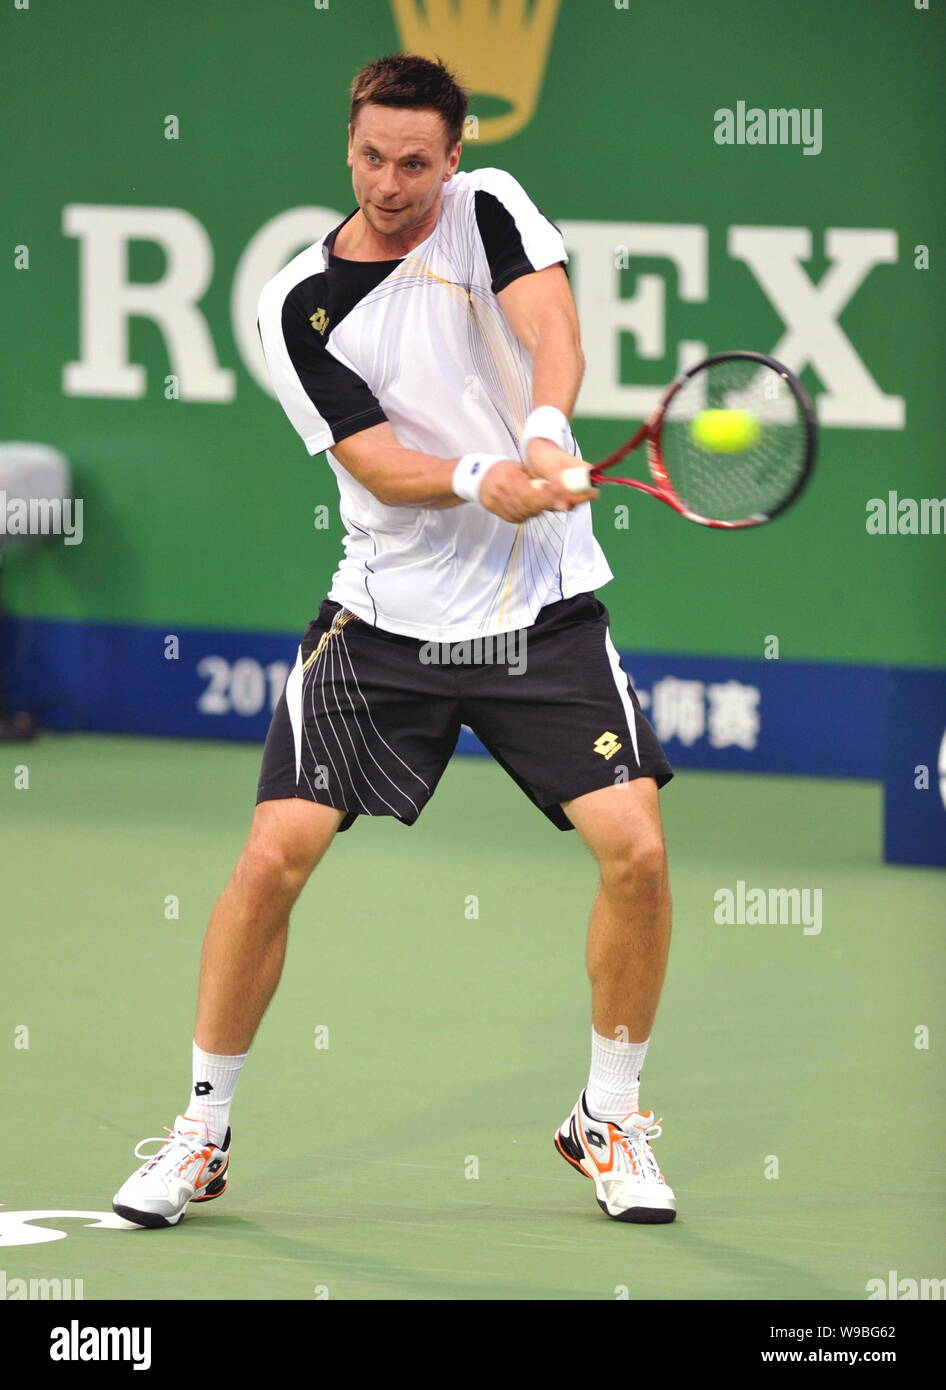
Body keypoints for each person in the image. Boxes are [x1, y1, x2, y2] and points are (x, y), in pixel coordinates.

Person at [112, 52, 677, 1230]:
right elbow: (374, 462)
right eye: (371, 154)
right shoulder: (296, 303)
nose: (390, 180)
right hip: (383, 622)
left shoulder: (488, 209)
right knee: (271, 860)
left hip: (540, 615)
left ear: (454, 153)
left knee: (637, 853)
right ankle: (200, 1133)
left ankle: (607, 1117)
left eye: (415, 160)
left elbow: (549, 325)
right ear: (349, 144)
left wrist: (543, 427)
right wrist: (484, 474)